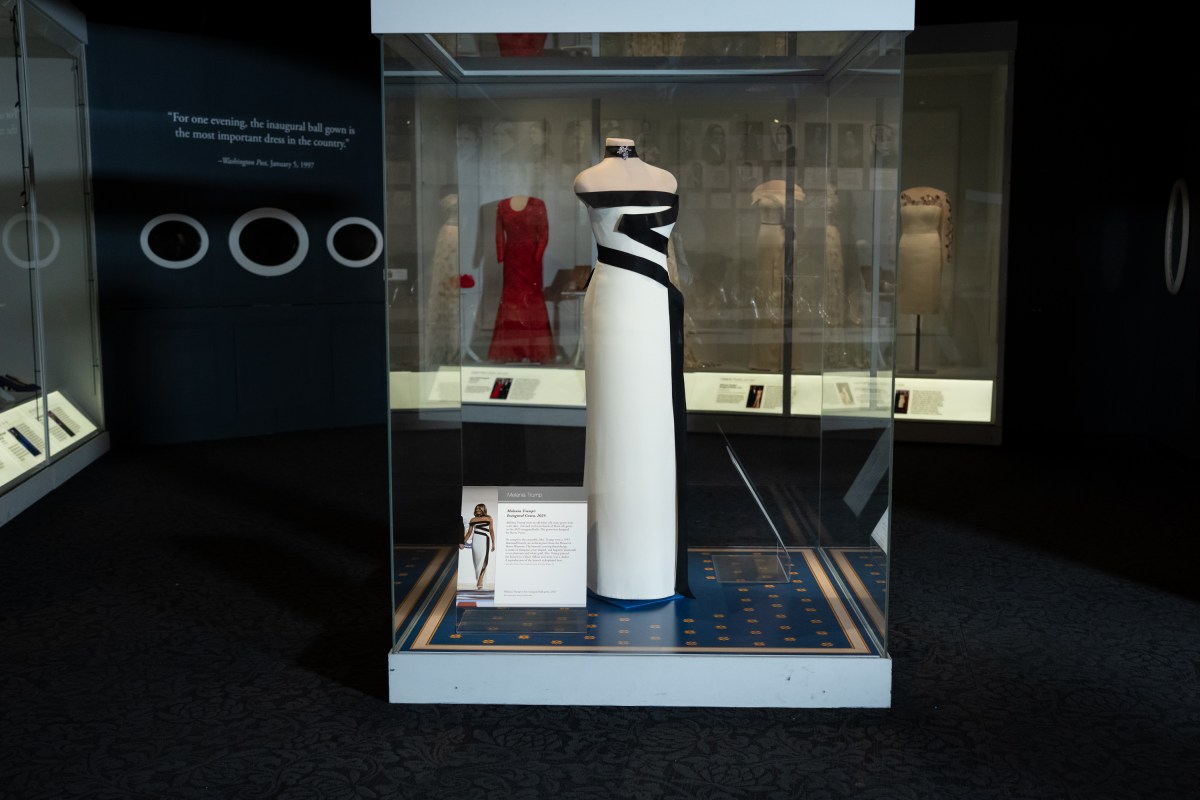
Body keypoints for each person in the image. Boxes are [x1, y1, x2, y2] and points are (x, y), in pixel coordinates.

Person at [573, 137, 689, 602]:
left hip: (645, 300)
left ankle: (650, 566)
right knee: (614, 424)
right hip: (617, 302)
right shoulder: (587, 178)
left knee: (651, 423)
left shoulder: (665, 177)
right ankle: (611, 566)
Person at [461, 503, 496, 590]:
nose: (477, 510)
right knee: (477, 561)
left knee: (484, 560)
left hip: (485, 540)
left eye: (479, 509)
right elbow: (469, 533)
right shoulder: (473, 520)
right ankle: (479, 577)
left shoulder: (489, 518)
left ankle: (480, 580)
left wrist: (493, 543)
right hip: (475, 540)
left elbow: (491, 530)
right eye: (476, 509)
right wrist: (462, 542)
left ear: (484, 509)